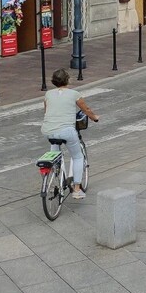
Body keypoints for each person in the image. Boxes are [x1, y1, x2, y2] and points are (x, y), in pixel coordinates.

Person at [42, 68, 99, 199]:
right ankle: (77, 189)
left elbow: (46, 112)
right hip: (67, 130)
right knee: (77, 156)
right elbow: (86, 109)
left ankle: (54, 172)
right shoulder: (74, 94)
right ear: (67, 80)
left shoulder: (48, 94)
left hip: (48, 130)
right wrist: (95, 117)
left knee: (55, 152)